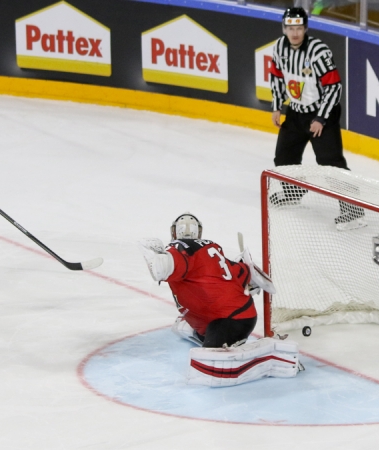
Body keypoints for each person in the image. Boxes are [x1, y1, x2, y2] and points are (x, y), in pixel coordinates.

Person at [138, 213, 301, 387]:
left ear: (173, 231)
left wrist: (154, 254)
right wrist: (249, 275)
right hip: (230, 316)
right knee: (182, 328)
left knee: (209, 365)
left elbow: (161, 269)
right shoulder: (211, 250)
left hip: (230, 320)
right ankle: (206, 334)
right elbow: (240, 270)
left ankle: (271, 355)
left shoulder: (180, 249)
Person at [268, 7, 364, 229]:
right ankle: (294, 193)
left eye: (299, 28)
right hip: (295, 112)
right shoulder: (279, 47)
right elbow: (276, 76)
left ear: (305, 29)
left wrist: (321, 117)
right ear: (284, 28)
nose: (295, 33)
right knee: (283, 157)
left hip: (322, 114)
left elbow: (333, 86)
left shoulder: (317, 51)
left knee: (331, 165)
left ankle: (354, 211)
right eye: (290, 28)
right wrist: (277, 106)